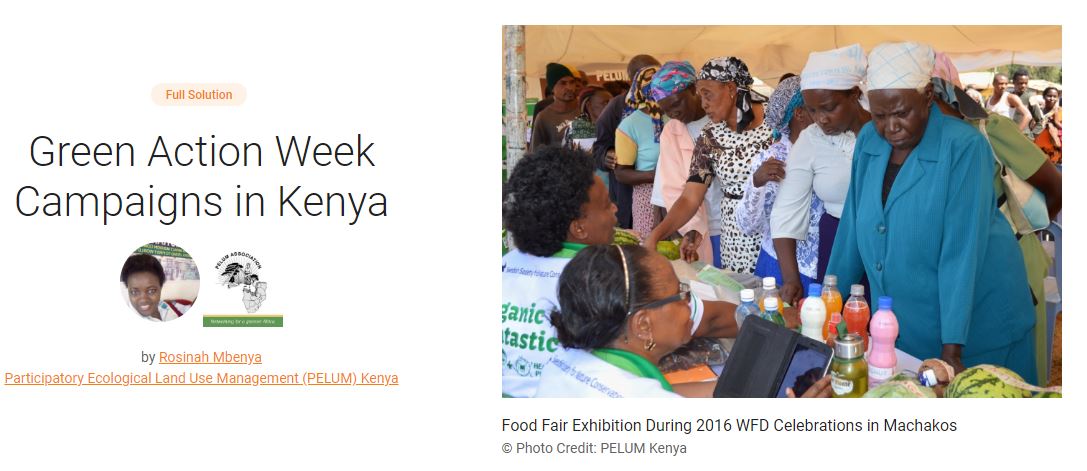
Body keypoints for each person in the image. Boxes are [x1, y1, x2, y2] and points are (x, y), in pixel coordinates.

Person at [827, 42, 1037, 382]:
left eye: (901, 113)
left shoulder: (963, 147)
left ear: (927, 96)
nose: (890, 127)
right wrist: (829, 306)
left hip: (977, 325)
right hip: (904, 324)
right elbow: (852, 226)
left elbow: (961, 250)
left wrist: (952, 351)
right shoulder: (869, 141)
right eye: (880, 115)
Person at [501, 145, 742, 398]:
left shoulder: (506, 266)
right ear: (579, 228)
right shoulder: (602, 277)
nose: (616, 209)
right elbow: (713, 320)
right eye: (606, 205)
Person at [535, 244, 830, 398]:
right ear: (643, 325)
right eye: (680, 294)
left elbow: (670, 391)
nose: (690, 303)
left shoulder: (566, 361)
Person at [931, 56, 1062, 385]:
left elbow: (1056, 186)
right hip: (967, 270)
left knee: (1015, 371)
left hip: (1014, 262)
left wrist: (1018, 230)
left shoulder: (992, 129)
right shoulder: (917, 142)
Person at [644, 56, 773, 274]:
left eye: (707, 95)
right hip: (735, 236)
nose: (704, 104)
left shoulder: (774, 120)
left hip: (774, 231)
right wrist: (656, 235)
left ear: (731, 88)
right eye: (700, 95)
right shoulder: (710, 137)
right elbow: (689, 196)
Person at [770, 44, 870, 305]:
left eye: (828, 107)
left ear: (854, 94)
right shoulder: (811, 139)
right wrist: (791, 278)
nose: (820, 119)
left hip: (890, 242)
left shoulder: (887, 132)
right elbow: (786, 209)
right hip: (838, 241)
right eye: (813, 110)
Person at [735, 75, 822, 288]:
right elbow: (747, 225)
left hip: (823, 264)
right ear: (799, 114)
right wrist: (756, 183)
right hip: (779, 267)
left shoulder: (830, 151)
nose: (825, 115)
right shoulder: (771, 159)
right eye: (817, 108)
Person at [647, 61, 720, 266]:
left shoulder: (722, 120)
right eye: (666, 110)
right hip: (705, 230)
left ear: (694, 89)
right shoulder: (672, 131)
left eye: (676, 104)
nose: (673, 114)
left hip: (741, 227)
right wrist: (691, 229)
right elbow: (677, 191)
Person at [594, 55, 662, 229]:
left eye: (657, 74)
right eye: (645, 76)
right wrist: (606, 155)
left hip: (668, 193)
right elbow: (599, 147)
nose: (652, 81)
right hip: (629, 191)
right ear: (633, 80)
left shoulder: (668, 102)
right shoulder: (618, 106)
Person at [614, 65, 664, 237]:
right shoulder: (629, 125)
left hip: (682, 192)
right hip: (647, 197)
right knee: (651, 250)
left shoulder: (678, 115)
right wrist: (656, 175)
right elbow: (621, 173)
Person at [563, 85, 614, 188]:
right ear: (589, 105)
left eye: (611, 103)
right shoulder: (580, 128)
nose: (610, 107)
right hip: (592, 190)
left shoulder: (607, 124)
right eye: (605, 103)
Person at [529, 63, 583, 153]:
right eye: (563, 83)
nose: (569, 87)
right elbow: (535, 153)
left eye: (572, 82)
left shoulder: (585, 108)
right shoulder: (544, 117)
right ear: (552, 88)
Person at [120, 253, 190, 322]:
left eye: (151, 291)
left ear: (161, 287)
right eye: (134, 292)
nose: (143, 300)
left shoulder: (163, 306)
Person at [1011, 69, 1046, 138]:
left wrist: (1031, 137)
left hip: (1022, 137)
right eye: (1020, 83)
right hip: (1007, 135)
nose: (1023, 86)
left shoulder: (1030, 98)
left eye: (1025, 83)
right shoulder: (1008, 96)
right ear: (1014, 82)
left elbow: (1041, 121)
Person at [1034, 86, 1062, 164]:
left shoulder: (1061, 112)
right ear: (1044, 96)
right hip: (1039, 150)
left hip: (1056, 152)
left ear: (1058, 97)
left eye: (1055, 96)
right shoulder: (1038, 112)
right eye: (1049, 96)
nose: (1052, 98)